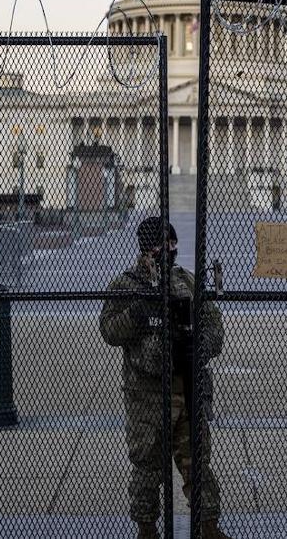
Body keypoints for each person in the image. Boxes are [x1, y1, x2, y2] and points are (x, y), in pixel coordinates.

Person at [99, 217, 232, 539]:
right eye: (161, 245)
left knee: (196, 463)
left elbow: (215, 331)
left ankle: (208, 526)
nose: (168, 250)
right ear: (145, 250)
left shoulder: (187, 281)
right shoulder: (126, 286)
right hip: (147, 393)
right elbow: (109, 331)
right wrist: (136, 315)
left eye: (172, 244)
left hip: (186, 387)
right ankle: (147, 529)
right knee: (147, 466)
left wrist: (194, 345)